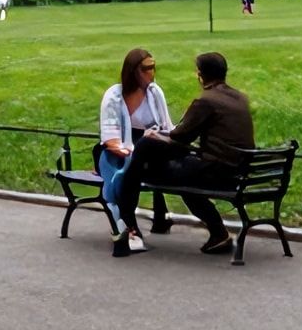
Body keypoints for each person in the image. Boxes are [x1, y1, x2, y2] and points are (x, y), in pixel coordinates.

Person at [114, 52, 255, 257]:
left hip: (218, 170)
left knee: (146, 154)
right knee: (159, 162)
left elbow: (180, 137)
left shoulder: (207, 100)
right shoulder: (239, 98)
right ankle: (215, 232)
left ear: (202, 75)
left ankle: (128, 223)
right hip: (238, 168)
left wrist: (154, 137)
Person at [97, 48, 174, 256]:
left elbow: (166, 126)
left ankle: (132, 226)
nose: (152, 72)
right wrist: (128, 151)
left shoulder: (154, 92)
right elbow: (110, 138)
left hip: (148, 147)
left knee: (145, 160)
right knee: (129, 168)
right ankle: (131, 227)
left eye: (153, 67)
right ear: (133, 71)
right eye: (147, 68)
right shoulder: (114, 96)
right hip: (116, 150)